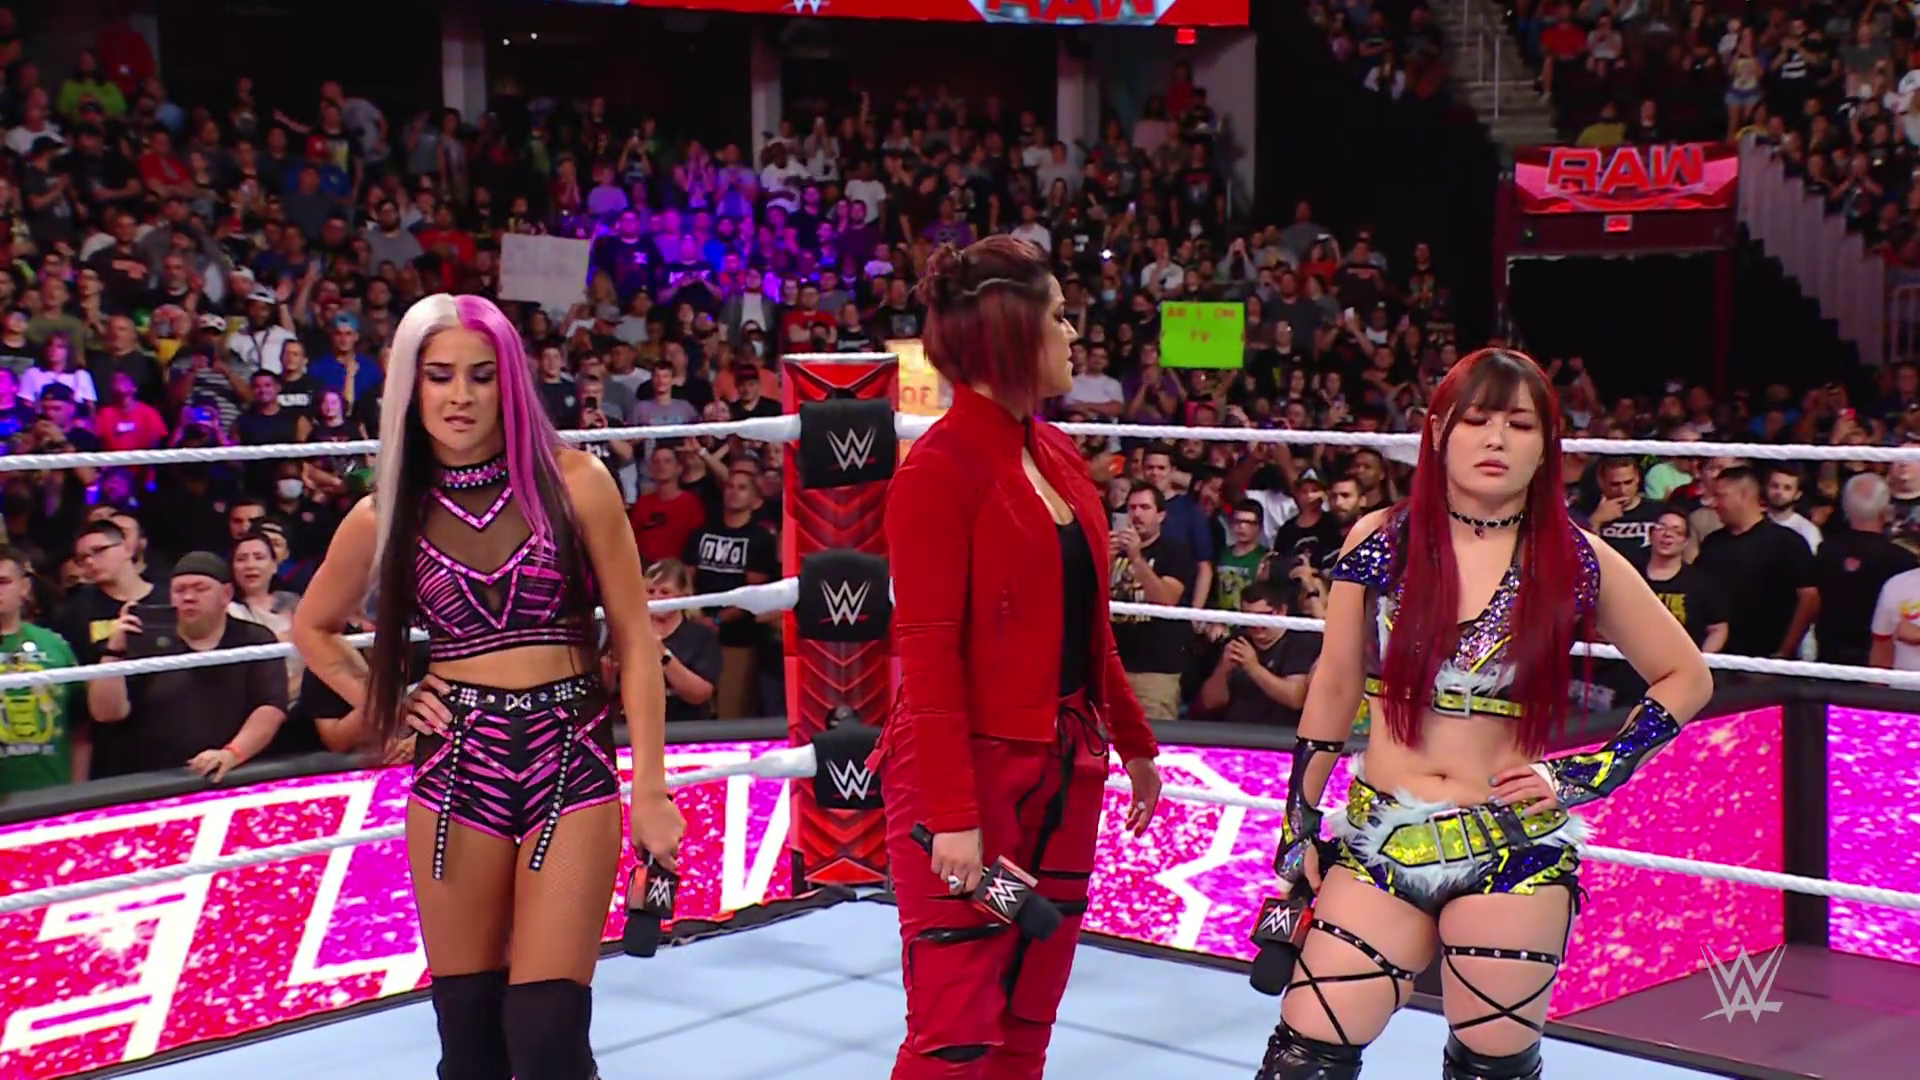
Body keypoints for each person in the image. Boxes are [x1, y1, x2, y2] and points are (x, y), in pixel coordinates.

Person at [1255, 349, 1713, 1080]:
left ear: (1547, 445)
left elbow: (1686, 675)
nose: (1497, 439)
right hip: (1379, 838)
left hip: (1510, 848)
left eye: (1520, 424)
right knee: (1300, 1062)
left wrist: (1587, 775)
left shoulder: (1576, 557)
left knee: (1490, 1070)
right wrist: (1298, 825)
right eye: (1477, 419)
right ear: (1439, 431)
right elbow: (1335, 684)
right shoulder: (1381, 537)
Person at [290, 294, 685, 1080]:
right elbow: (313, 627)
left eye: (481, 375)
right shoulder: (385, 512)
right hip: (456, 763)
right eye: (440, 376)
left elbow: (636, 642)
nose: (461, 396)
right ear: (411, 386)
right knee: (469, 1042)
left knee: (546, 1037)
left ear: (510, 382)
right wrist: (389, 701)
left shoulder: (577, 482)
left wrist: (651, 788)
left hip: (570, 757)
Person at [877, 236, 1164, 1080]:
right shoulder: (938, 471)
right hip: (970, 776)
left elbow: (1088, 623)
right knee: (955, 1031)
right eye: (1060, 317)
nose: (1075, 334)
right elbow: (927, 656)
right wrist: (953, 814)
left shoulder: (1057, 454)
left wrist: (1135, 741)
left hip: (1066, 766)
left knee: (1026, 1017)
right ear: (1012, 332)